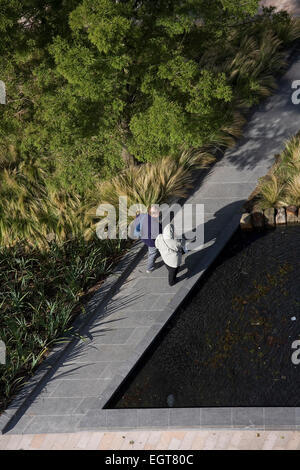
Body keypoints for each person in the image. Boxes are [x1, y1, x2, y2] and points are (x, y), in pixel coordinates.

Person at [134, 205, 161, 273]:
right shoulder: (152, 224)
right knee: (152, 253)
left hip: (142, 234)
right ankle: (150, 268)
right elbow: (152, 237)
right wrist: (154, 244)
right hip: (150, 240)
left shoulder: (143, 215)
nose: (159, 212)